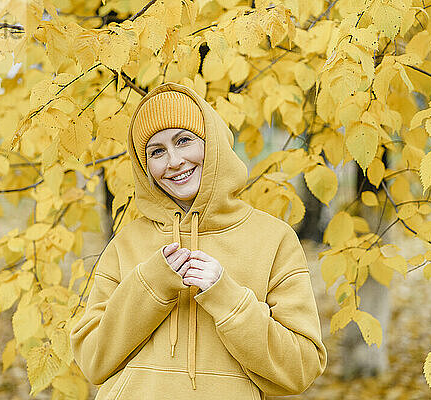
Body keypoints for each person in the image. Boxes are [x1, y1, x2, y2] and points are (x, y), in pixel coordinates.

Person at [70, 82, 327, 399]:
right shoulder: (128, 241)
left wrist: (227, 299)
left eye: (184, 140)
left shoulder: (273, 239)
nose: (174, 161)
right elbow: (93, 361)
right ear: (145, 166)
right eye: (157, 151)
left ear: (213, 144)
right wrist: (150, 285)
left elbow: (300, 368)